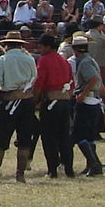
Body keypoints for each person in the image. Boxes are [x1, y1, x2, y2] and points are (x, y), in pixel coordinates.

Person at [0, 30, 39, 182]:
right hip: (26, 101)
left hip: (8, 101)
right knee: (24, 139)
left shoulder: (2, 60)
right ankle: (20, 174)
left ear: (7, 45)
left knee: (0, 139)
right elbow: (34, 80)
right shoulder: (29, 60)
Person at [33, 32, 76, 178]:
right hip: (64, 101)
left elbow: (39, 83)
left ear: (47, 46)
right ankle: (69, 169)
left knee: (49, 137)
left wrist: (34, 101)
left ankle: (52, 169)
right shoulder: (64, 61)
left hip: (51, 100)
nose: (39, 48)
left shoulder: (44, 60)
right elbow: (71, 83)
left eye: (41, 45)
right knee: (64, 136)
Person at [70, 33, 105, 176]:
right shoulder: (91, 60)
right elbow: (98, 80)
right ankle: (93, 165)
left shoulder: (85, 62)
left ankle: (94, 163)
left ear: (75, 49)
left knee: (78, 134)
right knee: (90, 135)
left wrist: (82, 94)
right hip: (94, 101)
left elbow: (93, 79)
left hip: (86, 101)